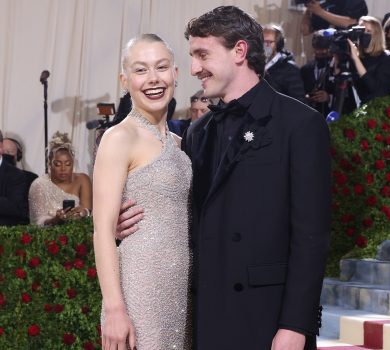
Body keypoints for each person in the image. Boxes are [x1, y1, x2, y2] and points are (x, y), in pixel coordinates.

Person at [118, 6, 331, 349]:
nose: (194, 69)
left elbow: (311, 238)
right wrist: (128, 226)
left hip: (268, 317)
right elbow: (185, 216)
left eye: (203, 54)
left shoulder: (300, 125)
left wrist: (295, 325)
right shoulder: (197, 132)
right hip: (208, 313)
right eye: (191, 56)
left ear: (239, 51)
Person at [92, 34, 192, 349]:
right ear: (125, 80)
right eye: (141, 70)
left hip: (182, 291)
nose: (153, 79)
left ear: (176, 73)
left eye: (161, 67)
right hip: (139, 289)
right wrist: (114, 308)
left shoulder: (179, 144)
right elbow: (102, 230)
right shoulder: (119, 137)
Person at [28, 132, 92, 226]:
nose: (63, 169)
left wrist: (83, 213)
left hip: (79, 232)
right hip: (50, 237)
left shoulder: (82, 180)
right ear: (49, 164)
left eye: (68, 164)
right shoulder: (39, 184)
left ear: (73, 163)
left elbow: (89, 212)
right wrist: (55, 220)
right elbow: (37, 221)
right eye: (57, 164)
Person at [346, 16, 390, 105]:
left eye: (368, 31)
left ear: (376, 35)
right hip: (360, 109)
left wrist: (356, 59)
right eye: (361, 31)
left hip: (381, 109)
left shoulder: (387, 57)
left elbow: (375, 91)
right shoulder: (356, 57)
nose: (363, 34)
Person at [263, 23, 307, 102]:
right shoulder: (256, 64)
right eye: (263, 42)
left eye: (269, 42)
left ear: (278, 44)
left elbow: (298, 101)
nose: (265, 46)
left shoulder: (290, 68)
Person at [301, 30, 335, 116]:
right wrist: (304, 98)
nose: (320, 52)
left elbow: (347, 98)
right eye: (317, 49)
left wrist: (328, 97)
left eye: (324, 49)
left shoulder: (337, 68)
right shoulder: (305, 69)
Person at [302, 0, 369, 35]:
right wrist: (309, 7)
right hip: (326, 51)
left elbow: (351, 22)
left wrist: (320, 12)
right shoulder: (327, 3)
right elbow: (305, 31)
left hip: (350, 49)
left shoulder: (355, 2)